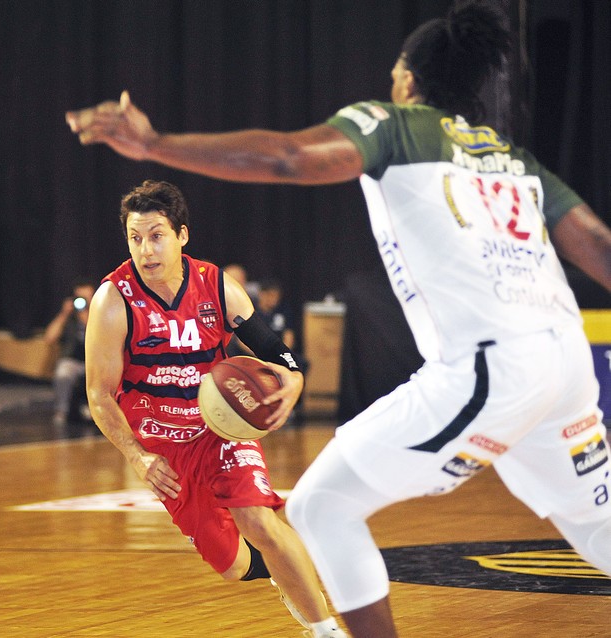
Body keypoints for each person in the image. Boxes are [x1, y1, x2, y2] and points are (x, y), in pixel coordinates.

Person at [66, 2, 611, 635]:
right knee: (598, 525)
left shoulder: (394, 122)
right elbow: (597, 245)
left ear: (408, 78)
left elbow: (286, 158)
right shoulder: (511, 156)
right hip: (569, 361)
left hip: (494, 364)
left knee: (323, 505)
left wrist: (154, 144)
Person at [84, 180, 345, 637]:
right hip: (165, 450)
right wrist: (137, 456)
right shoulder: (114, 300)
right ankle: (284, 572)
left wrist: (294, 380)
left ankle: (325, 629)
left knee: (258, 519)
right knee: (231, 565)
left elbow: (278, 354)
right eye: (136, 238)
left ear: (182, 235)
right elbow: (100, 394)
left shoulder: (216, 286)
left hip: (220, 429)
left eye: (157, 235)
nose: (146, 249)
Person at [44, 278, 96, 426]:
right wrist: (64, 314)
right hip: (72, 360)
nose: (83, 302)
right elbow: (49, 338)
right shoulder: (68, 316)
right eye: (80, 298)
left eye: (87, 298)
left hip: (95, 362)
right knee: (63, 373)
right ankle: (62, 410)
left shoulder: (100, 315)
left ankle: (98, 411)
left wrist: (87, 316)